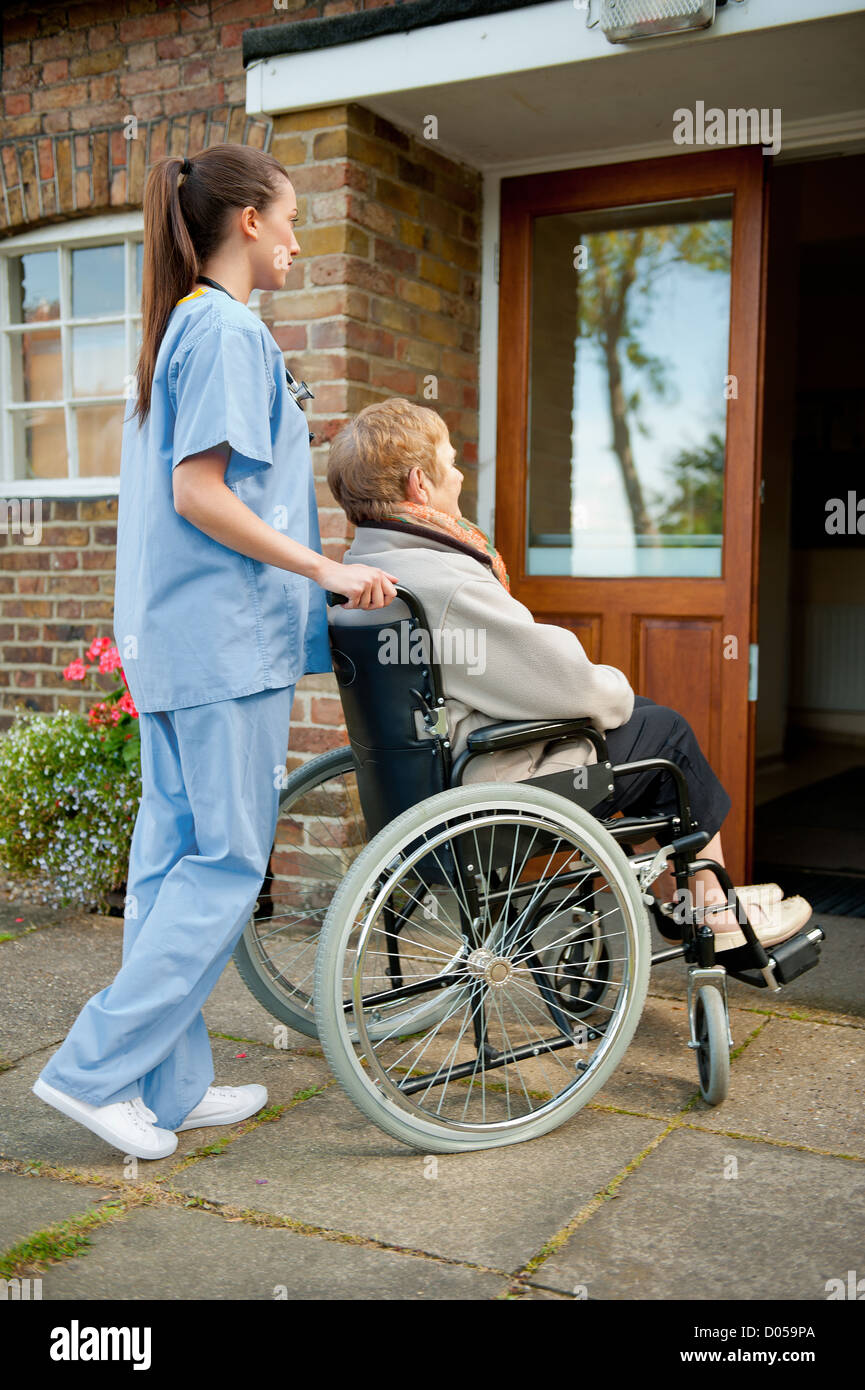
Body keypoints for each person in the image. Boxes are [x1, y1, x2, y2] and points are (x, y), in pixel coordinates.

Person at [32, 145, 398, 1161]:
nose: (295, 239)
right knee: (228, 865)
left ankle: (166, 1086)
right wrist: (327, 576)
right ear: (245, 221)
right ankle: (90, 1070)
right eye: (288, 220)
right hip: (221, 648)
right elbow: (203, 493)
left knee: (169, 866)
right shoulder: (227, 330)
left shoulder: (179, 328)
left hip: (174, 647)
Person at [326, 396, 812, 952]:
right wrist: (613, 687)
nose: (458, 475)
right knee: (666, 733)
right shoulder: (442, 579)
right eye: (451, 462)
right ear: (419, 483)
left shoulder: (362, 573)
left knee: (642, 722)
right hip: (489, 790)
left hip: (421, 787)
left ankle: (688, 898)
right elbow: (569, 686)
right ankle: (713, 913)